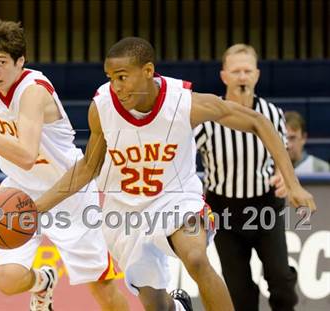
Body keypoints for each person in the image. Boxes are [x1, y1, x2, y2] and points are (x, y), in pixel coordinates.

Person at [32, 37, 316, 311]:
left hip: (177, 200)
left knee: (196, 258)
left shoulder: (183, 103)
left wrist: (293, 184)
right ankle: (179, 306)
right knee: (156, 305)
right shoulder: (102, 108)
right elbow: (88, 168)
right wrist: (36, 208)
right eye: (110, 78)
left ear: (148, 71)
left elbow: (257, 121)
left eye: (122, 77)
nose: (115, 86)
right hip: (125, 211)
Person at [0, 19, 129, 311]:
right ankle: (43, 282)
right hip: (18, 190)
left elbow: (26, 155)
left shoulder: (33, 91)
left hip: (67, 191)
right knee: (6, 279)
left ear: (20, 61)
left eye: (1, 62)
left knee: (102, 289)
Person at [195, 44, 302, 311]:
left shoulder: (272, 113)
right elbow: (184, 156)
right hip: (225, 213)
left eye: (247, 71)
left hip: (265, 207)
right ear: (224, 77)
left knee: (281, 282)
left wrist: (281, 176)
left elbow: (281, 155)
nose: (242, 77)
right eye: (236, 71)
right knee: (239, 294)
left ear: (257, 74)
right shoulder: (208, 118)